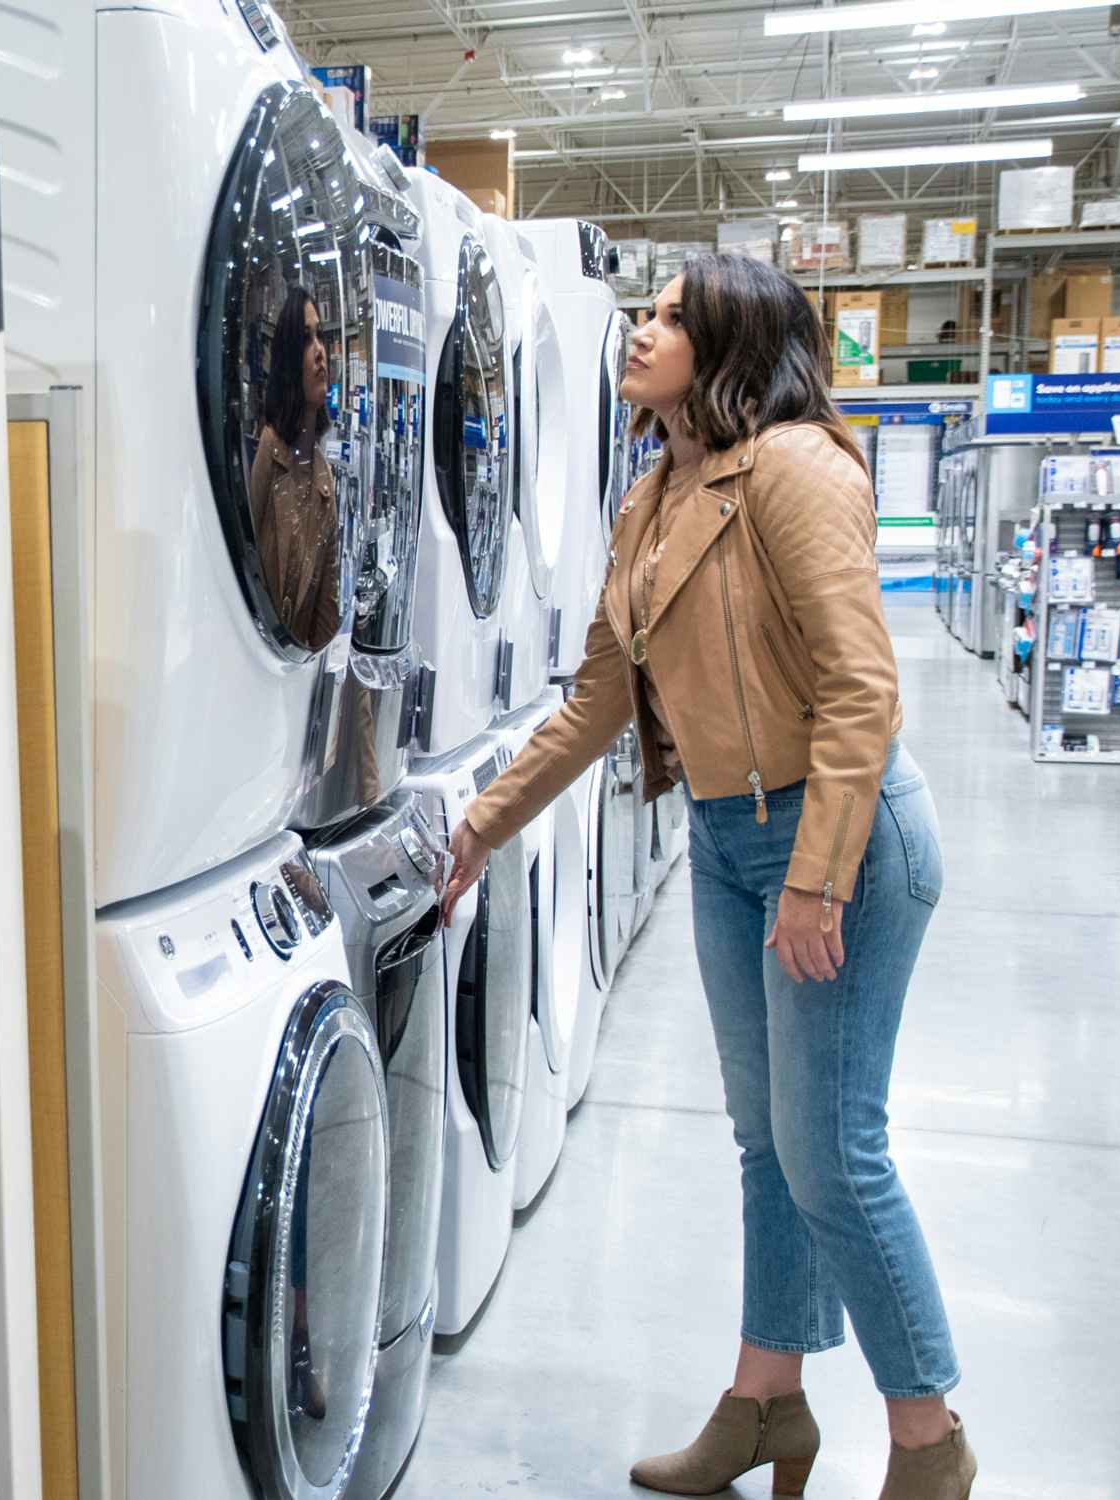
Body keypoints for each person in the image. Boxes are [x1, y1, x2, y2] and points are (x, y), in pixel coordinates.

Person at [439, 253, 975, 1500]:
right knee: (761, 1144)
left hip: (835, 842)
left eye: (674, 319)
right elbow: (596, 701)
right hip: (729, 846)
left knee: (831, 1151)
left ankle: (927, 1440)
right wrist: (482, 821)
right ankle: (763, 1406)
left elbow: (858, 691)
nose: (641, 329)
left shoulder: (793, 471)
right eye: (648, 311)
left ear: (731, 347)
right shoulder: (656, 494)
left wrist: (817, 879)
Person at [250, 286, 344, 654]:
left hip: (290, 679)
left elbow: (327, 617)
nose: (320, 351)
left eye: (320, 336)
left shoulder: (323, 481)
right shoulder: (267, 452)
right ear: (290, 360)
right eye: (307, 340)